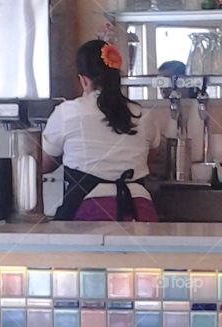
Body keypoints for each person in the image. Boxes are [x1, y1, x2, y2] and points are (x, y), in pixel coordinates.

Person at [42, 39, 160, 221]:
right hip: (139, 209)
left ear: (83, 80)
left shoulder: (68, 112)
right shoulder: (142, 114)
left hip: (90, 209)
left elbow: (45, 164)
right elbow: (151, 157)